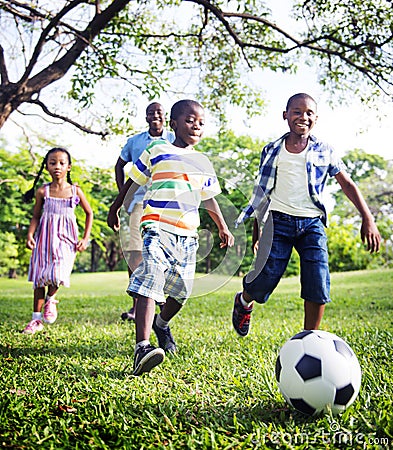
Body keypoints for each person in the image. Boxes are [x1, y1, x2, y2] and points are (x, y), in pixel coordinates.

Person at [232, 93, 381, 336]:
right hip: (277, 221)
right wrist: (257, 233)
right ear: (285, 116)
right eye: (297, 112)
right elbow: (262, 194)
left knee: (317, 280)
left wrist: (368, 218)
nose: (303, 117)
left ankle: (308, 338)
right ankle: (244, 301)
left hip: (312, 224)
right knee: (265, 278)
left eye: (309, 113)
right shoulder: (272, 150)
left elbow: (347, 184)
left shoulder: (325, 150)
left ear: (316, 119)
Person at [107, 99, 234, 375]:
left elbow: (209, 198)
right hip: (156, 226)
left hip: (188, 235)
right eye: (190, 120)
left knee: (181, 293)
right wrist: (116, 205)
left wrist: (223, 226)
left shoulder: (202, 161)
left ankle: (161, 324)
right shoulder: (157, 149)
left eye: (201, 122)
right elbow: (133, 181)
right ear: (173, 124)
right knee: (150, 280)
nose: (196, 125)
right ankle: (142, 346)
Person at [22, 147, 93, 334]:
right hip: (44, 239)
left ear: (69, 167)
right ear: (46, 167)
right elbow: (36, 216)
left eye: (62, 163)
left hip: (66, 239)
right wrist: (30, 234)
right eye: (52, 163)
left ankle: (51, 299)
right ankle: (36, 320)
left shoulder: (75, 191)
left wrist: (85, 238)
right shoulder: (42, 192)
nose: (57, 167)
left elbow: (89, 213)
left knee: (58, 273)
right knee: (39, 278)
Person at [115, 102, 175, 321]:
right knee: (136, 252)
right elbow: (119, 165)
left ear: (166, 117)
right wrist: (123, 194)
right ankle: (137, 305)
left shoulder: (172, 139)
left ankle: (160, 300)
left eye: (159, 112)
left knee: (167, 252)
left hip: (168, 204)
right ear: (146, 117)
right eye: (151, 112)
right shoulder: (135, 142)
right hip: (139, 202)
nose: (155, 115)